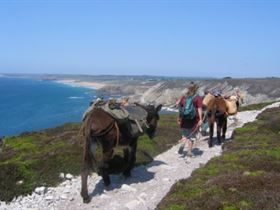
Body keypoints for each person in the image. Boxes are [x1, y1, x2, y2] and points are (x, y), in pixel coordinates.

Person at [177, 82, 203, 157]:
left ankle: (183, 143)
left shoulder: (184, 97)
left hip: (184, 119)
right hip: (194, 120)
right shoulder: (197, 97)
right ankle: (189, 151)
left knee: (184, 134)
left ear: (188, 88)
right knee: (192, 136)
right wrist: (201, 119)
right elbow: (199, 108)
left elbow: (180, 108)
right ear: (196, 89)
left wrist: (179, 117)